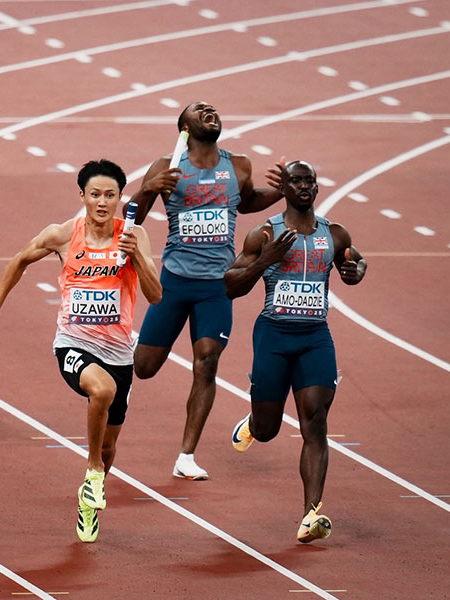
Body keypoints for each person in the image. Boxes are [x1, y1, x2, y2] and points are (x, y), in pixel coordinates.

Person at [0, 159, 162, 543]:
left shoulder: (134, 236)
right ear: (82, 196)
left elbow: (156, 295)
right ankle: (92, 469)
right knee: (102, 390)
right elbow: (19, 260)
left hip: (119, 353)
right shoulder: (63, 235)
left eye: (110, 195)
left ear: (120, 198)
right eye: (95, 194)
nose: (102, 202)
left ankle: (89, 496)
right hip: (73, 345)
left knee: (111, 443)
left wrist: (136, 256)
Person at [128, 100, 283, 480]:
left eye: (213, 109)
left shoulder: (239, 165)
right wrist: (149, 189)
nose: (210, 111)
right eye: (200, 110)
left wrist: (279, 195)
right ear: (184, 127)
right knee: (144, 369)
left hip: (218, 285)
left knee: (207, 360)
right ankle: (124, 368)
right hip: (175, 281)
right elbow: (132, 218)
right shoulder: (167, 167)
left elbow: (247, 203)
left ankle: (186, 456)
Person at [224, 160, 366, 543]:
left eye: (310, 181)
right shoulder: (263, 234)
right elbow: (230, 285)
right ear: (283, 188)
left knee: (315, 419)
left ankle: (311, 514)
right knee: (269, 429)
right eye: (296, 181)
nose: (304, 186)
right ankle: (254, 424)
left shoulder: (334, 233)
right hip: (273, 335)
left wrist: (357, 271)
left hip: (315, 337)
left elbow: (354, 261)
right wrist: (266, 262)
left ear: (316, 189)